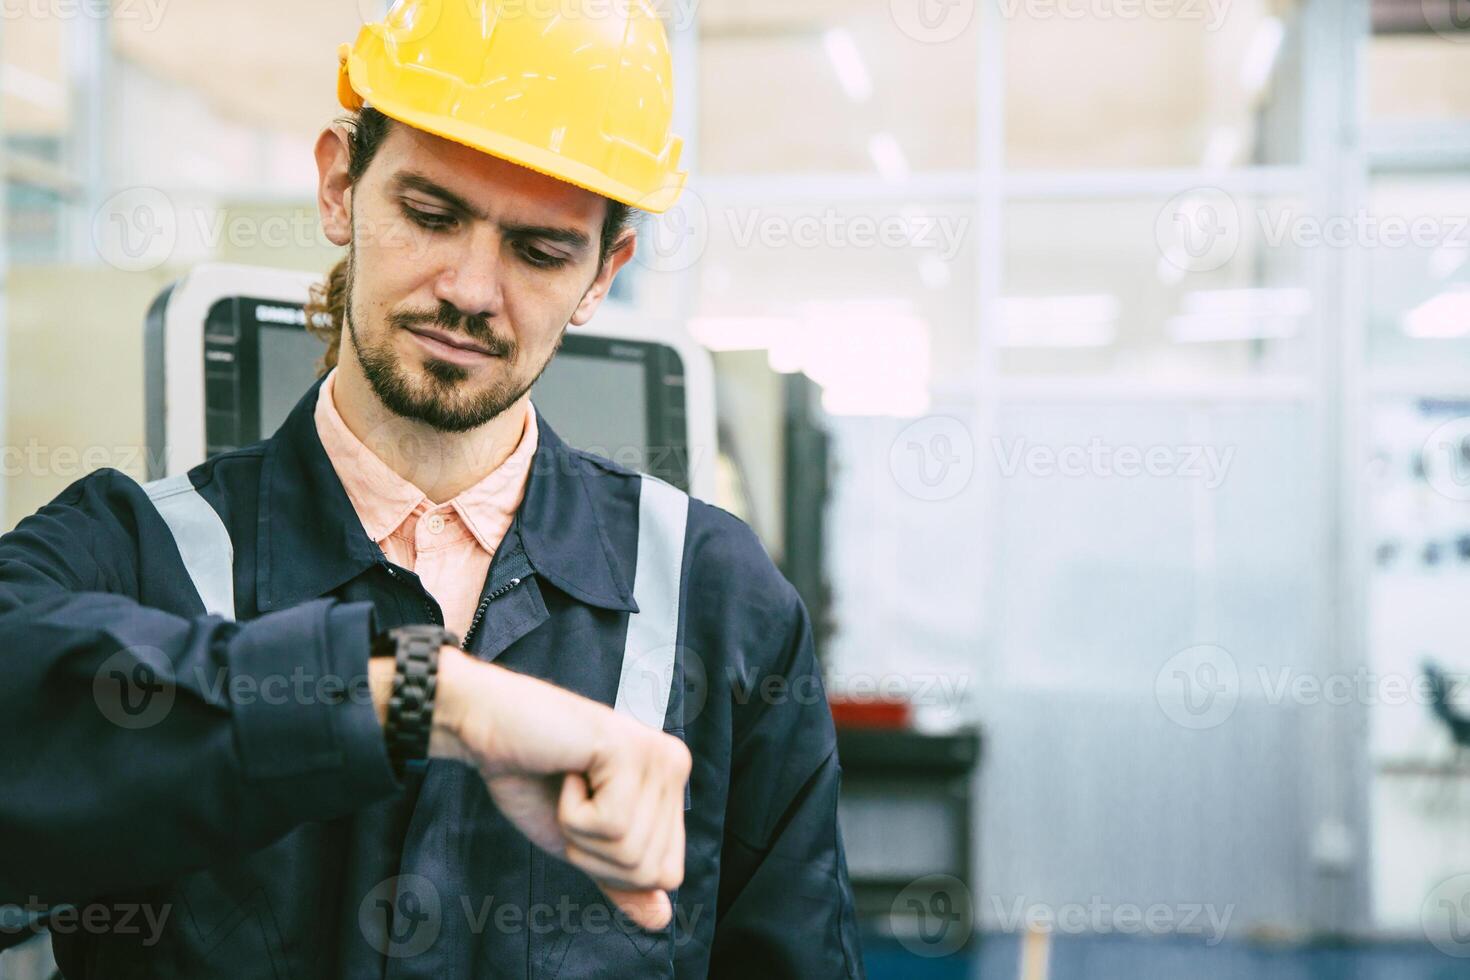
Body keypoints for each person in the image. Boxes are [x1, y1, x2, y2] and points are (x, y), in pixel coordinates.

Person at [0, 1, 864, 976]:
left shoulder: (719, 600)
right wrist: (424, 699)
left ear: (602, 273)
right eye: (430, 213)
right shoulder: (134, 553)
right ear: (339, 183)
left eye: (540, 250)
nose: (470, 288)